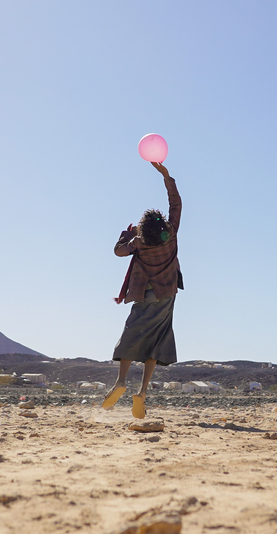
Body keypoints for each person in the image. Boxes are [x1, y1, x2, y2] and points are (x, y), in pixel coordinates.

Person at [103, 161, 182, 419]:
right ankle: (143, 392)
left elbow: (118, 251)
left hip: (143, 294)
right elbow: (176, 204)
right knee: (156, 343)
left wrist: (126, 236)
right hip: (166, 295)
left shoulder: (138, 243)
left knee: (132, 335)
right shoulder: (170, 233)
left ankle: (120, 382)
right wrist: (166, 176)